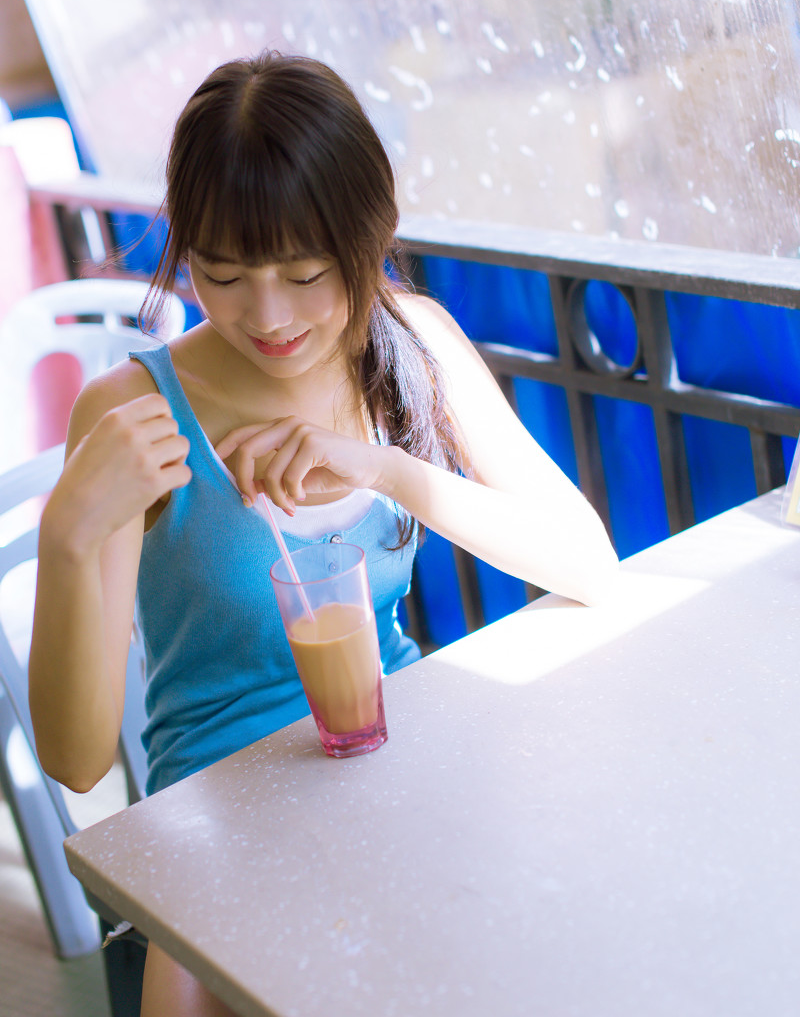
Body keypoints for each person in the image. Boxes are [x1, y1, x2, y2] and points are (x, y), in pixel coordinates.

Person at [29, 51, 618, 1015]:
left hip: (397, 770)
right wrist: (69, 535)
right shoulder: (133, 412)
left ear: (366, 235)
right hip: (220, 819)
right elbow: (77, 759)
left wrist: (385, 468)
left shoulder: (409, 343)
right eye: (221, 275)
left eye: (305, 274)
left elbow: (591, 565)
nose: (267, 316)